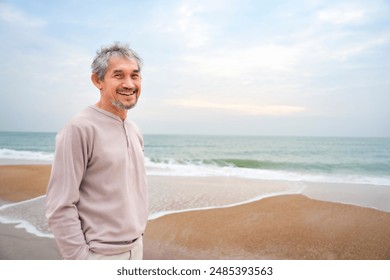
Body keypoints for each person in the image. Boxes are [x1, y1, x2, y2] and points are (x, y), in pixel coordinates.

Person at [46, 42, 148, 260]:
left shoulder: (134, 130)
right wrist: (81, 260)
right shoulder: (80, 128)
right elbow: (60, 205)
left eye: (135, 76)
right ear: (97, 80)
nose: (129, 84)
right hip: (99, 255)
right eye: (118, 75)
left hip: (136, 249)